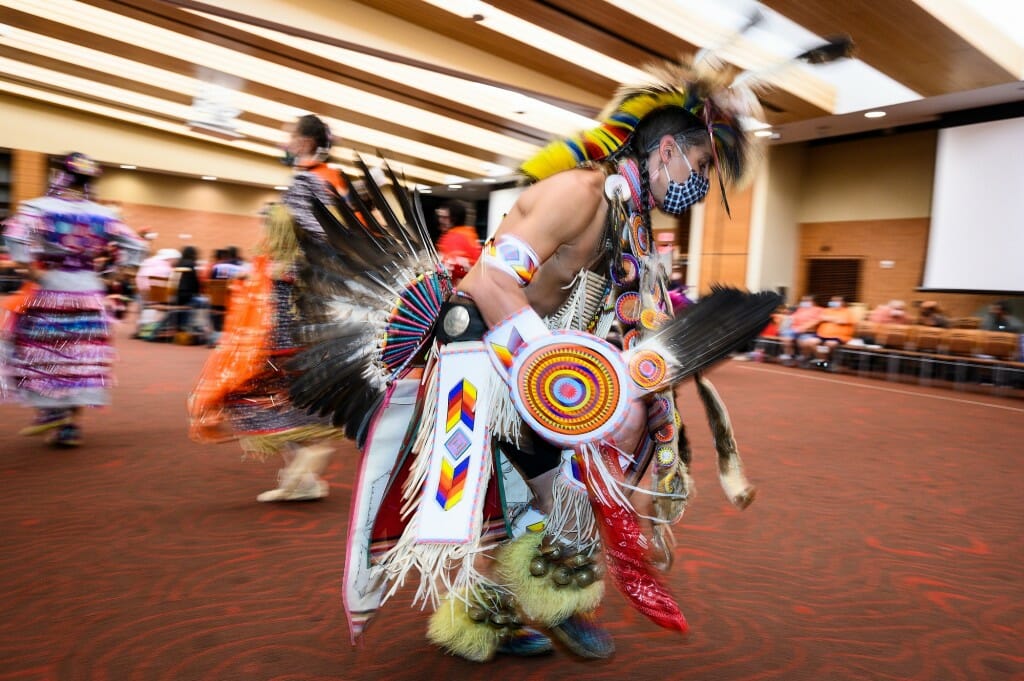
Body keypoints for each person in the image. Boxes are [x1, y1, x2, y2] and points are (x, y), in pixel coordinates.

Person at [291, 59, 779, 663]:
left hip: (518, 353)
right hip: (478, 349)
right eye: (702, 166)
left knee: (528, 492)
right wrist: (549, 370)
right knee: (553, 487)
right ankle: (551, 606)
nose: (699, 183)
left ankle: (491, 616)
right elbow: (494, 281)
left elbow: (626, 307)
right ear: (670, 150)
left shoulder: (625, 216)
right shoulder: (580, 193)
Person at [188, 113, 347, 502]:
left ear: (306, 142)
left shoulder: (312, 181)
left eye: (290, 135)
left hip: (292, 303)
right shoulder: (324, 180)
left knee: (265, 376)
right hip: (300, 301)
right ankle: (305, 469)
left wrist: (285, 266)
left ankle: (309, 463)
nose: (285, 142)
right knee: (278, 379)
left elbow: (319, 239)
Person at [1, 152, 145, 446]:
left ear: (58, 175)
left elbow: (14, 237)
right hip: (90, 292)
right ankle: (70, 427)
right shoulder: (105, 215)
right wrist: (118, 275)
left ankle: (51, 411)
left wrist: (29, 268)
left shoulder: (37, 208)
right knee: (82, 354)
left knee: (45, 351)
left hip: (50, 289)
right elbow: (136, 245)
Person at [798, 295, 856, 369]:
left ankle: (822, 361)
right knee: (809, 342)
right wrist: (833, 319)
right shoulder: (827, 310)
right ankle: (824, 361)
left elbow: (842, 321)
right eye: (833, 301)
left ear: (843, 302)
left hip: (839, 336)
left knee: (829, 344)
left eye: (836, 301)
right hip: (822, 335)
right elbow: (820, 318)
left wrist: (828, 318)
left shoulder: (848, 312)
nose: (833, 302)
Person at [435, 200, 481, 284]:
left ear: (455, 218)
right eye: (440, 216)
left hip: (458, 290)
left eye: (445, 217)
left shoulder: (455, 237)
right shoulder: (468, 234)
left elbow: (449, 268)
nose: (440, 220)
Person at [780, 294, 823, 364]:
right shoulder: (800, 309)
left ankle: (805, 357)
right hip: (794, 330)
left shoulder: (819, 310)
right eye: (803, 301)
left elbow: (817, 321)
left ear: (814, 301)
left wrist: (804, 328)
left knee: (804, 343)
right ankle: (789, 356)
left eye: (807, 300)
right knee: (786, 338)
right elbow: (793, 318)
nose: (804, 302)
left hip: (808, 331)